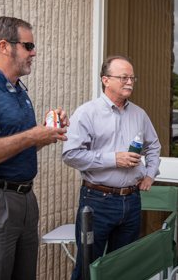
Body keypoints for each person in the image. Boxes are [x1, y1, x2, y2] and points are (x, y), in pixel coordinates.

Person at [0, 16, 69, 279]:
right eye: (28, 46)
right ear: (5, 46)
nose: (34, 52)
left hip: (25, 199)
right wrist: (32, 136)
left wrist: (44, 134)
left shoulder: (17, 89)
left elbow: (15, 146)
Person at [62, 55, 161, 280]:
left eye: (132, 78)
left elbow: (153, 146)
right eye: (123, 77)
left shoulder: (139, 113)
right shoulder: (87, 112)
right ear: (105, 80)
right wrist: (113, 159)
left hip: (132, 201)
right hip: (97, 202)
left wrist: (150, 174)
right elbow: (70, 155)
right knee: (89, 268)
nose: (130, 82)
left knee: (124, 269)